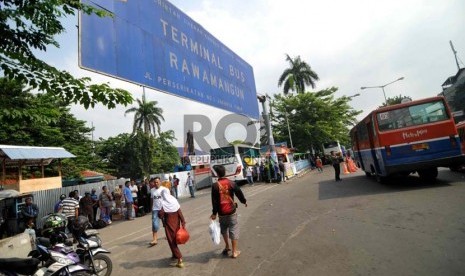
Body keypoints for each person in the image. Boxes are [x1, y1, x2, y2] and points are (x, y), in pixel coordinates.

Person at [210, 165, 247, 259]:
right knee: (233, 229)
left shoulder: (214, 186)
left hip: (221, 213)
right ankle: (234, 252)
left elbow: (214, 202)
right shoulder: (231, 183)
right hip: (231, 211)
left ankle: (227, 246)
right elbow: (239, 193)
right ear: (225, 173)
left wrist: (214, 213)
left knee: (224, 230)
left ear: (217, 174)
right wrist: (244, 201)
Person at [159, 186, 186, 268]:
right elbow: (179, 211)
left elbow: (160, 215)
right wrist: (183, 222)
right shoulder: (174, 200)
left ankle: (179, 258)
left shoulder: (163, 203)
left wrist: (159, 212)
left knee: (172, 241)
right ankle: (174, 255)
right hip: (176, 224)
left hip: (169, 225)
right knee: (175, 240)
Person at [150, 177, 168, 246]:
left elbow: (167, 198)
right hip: (155, 209)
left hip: (163, 208)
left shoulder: (164, 189)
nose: (156, 183)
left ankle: (167, 235)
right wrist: (151, 208)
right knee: (154, 224)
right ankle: (154, 239)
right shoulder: (152, 190)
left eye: (157, 182)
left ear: (160, 182)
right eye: (155, 182)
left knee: (165, 223)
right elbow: (151, 199)